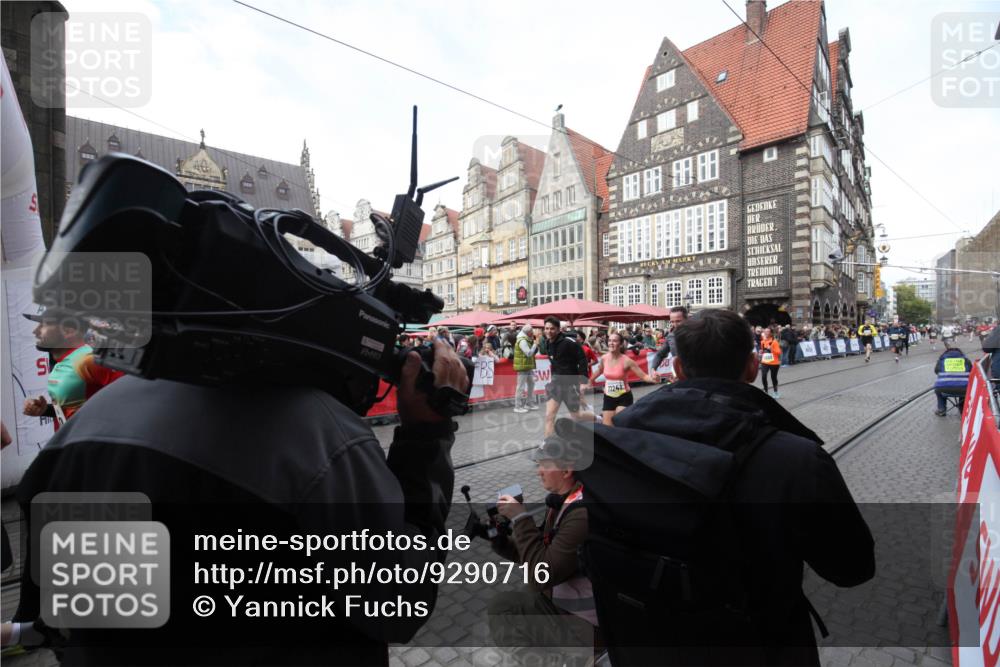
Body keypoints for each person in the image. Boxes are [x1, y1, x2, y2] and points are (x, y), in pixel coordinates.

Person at [13, 311, 470, 667]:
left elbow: (54, 616)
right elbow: (397, 603)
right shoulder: (321, 434)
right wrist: (426, 436)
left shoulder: (83, 427)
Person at [603, 309, 874, 664]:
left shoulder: (620, 441)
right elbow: (852, 567)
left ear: (678, 369)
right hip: (761, 642)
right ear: (752, 367)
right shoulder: (798, 458)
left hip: (650, 639)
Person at [489, 436, 597, 667]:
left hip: (586, 623)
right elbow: (540, 554)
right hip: (565, 601)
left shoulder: (580, 513)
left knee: (502, 610)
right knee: (511, 601)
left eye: (544, 464)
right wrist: (502, 543)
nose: (539, 471)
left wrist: (521, 518)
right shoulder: (562, 500)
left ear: (567, 470)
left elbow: (541, 576)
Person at [21, 307, 123, 427]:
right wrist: (46, 410)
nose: (35, 331)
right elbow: (73, 409)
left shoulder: (87, 359)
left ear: (68, 331)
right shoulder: (67, 360)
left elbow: (129, 397)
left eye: (44, 325)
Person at [589, 331, 659, 425]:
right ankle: (603, 418)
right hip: (608, 397)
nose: (611, 343)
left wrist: (654, 379)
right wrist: (589, 381)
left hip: (624, 397)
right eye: (609, 340)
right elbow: (599, 371)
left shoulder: (627, 361)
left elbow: (644, 376)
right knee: (607, 427)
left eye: (614, 341)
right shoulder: (604, 358)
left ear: (621, 344)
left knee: (619, 420)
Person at [542, 316, 595, 437]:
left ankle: (597, 419)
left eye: (552, 328)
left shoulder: (568, 342)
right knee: (549, 416)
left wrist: (583, 381)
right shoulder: (547, 343)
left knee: (577, 415)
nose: (549, 331)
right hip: (555, 385)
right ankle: (547, 443)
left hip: (570, 384)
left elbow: (582, 359)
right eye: (546, 328)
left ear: (558, 329)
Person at [933, 343, 973, 416]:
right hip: (963, 389)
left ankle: (941, 409)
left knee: (938, 389)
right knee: (964, 388)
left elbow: (936, 371)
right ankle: (962, 409)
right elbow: (971, 372)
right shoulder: (966, 360)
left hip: (944, 389)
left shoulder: (941, 360)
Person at [650, 306, 689, 372]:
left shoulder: (697, 333)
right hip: (679, 372)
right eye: (672, 322)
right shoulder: (671, 336)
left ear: (686, 319)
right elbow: (660, 354)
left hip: (698, 374)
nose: (675, 324)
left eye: (678, 321)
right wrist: (653, 369)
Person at [513, 324, 540, 414]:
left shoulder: (525, 339)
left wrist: (534, 342)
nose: (533, 333)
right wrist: (535, 344)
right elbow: (528, 353)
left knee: (531, 384)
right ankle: (518, 406)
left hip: (527, 366)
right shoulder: (522, 340)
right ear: (528, 332)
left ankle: (529, 403)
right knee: (520, 387)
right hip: (523, 366)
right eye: (532, 331)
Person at [758, 327, 782, 398]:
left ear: (771, 333)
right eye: (765, 331)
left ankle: (775, 392)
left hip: (774, 363)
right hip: (765, 362)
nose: (766, 333)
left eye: (767, 331)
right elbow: (763, 351)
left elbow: (779, 352)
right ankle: (766, 391)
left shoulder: (774, 342)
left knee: (773, 377)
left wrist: (771, 349)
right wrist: (761, 352)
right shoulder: (762, 342)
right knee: (763, 376)